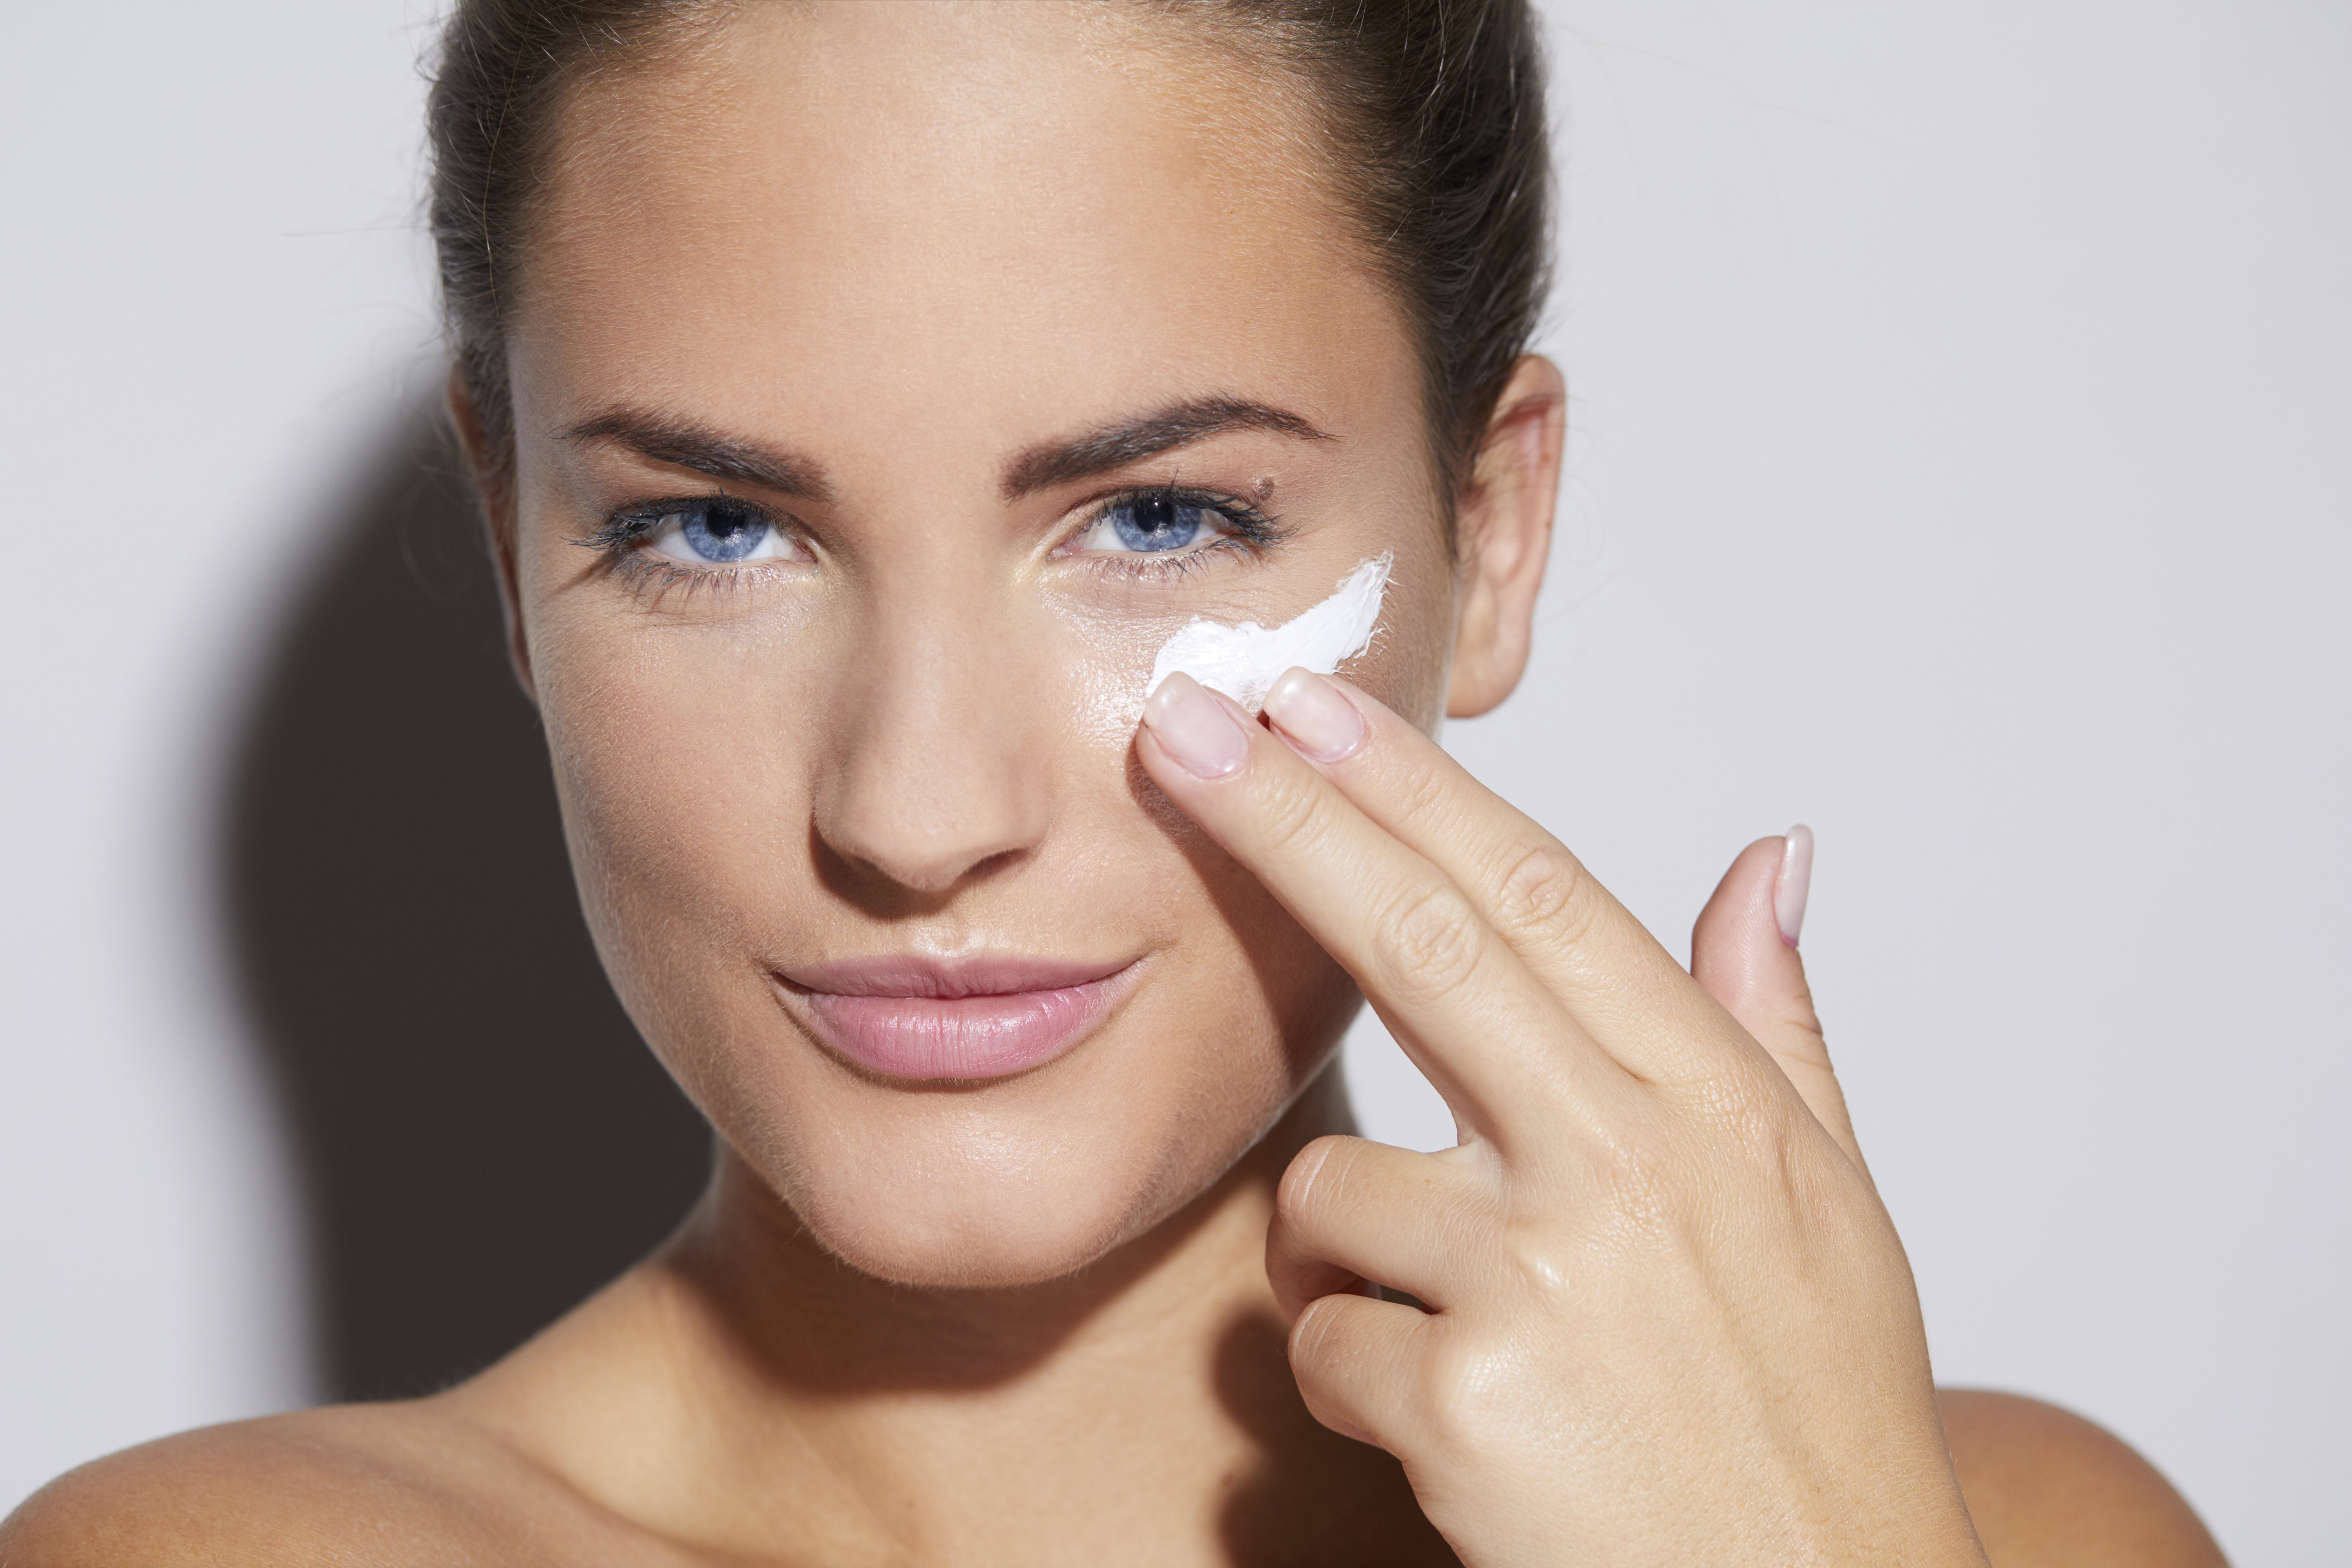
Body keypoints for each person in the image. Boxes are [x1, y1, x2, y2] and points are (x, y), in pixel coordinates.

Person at [2, 4, 2227, 1563]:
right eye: (714, 530)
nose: (915, 806)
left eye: (1158, 519)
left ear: (1496, 530)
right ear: (512, 550)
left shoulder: (2003, 1544)